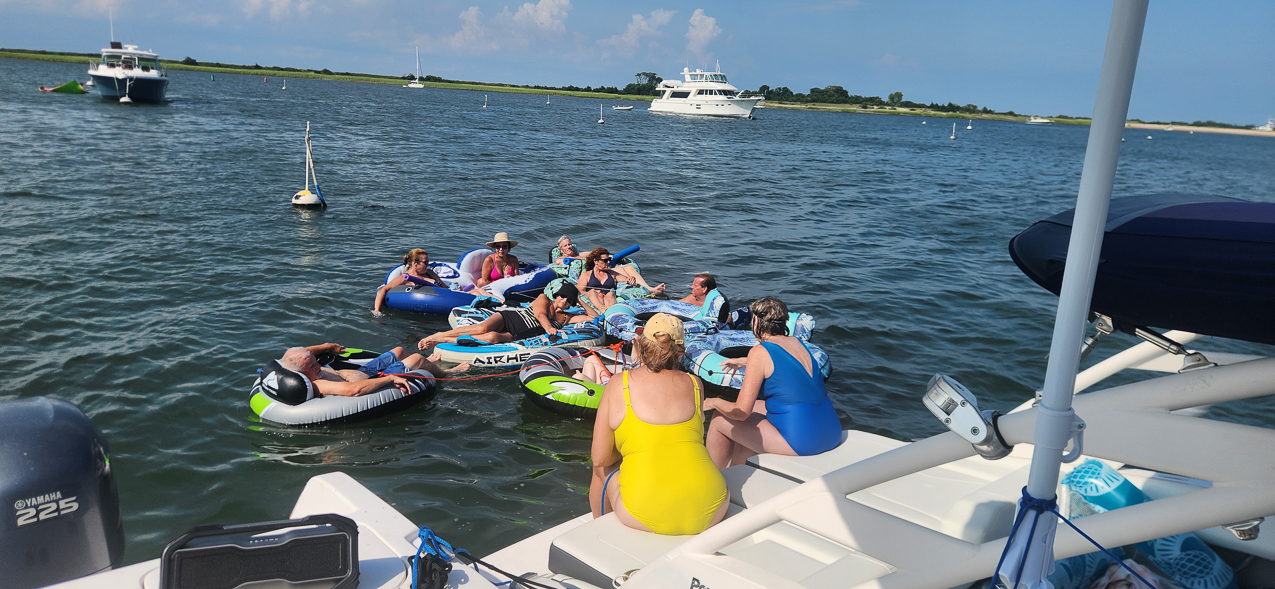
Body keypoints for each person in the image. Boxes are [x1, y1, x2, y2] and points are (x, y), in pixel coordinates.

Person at [589, 314, 729, 535]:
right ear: (680, 349)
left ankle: (598, 532)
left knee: (601, 467)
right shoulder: (695, 383)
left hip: (646, 512)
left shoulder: (619, 384)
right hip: (713, 504)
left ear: (642, 344)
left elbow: (600, 458)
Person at [703, 297, 841, 469]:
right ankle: (736, 468)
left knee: (720, 418)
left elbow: (741, 413)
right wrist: (743, 361)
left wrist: (713, 402)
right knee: (755, 408)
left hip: (803, 441)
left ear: (756, 322)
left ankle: (713, 476)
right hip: (831, 431)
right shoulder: (797, 343)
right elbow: (784, 364)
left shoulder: (759, 352)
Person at [417, 284, 591, 349]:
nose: (564, 300)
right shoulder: (544, 298)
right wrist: (548, 327)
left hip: (519, 334)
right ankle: (439, 334)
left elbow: (592, 317)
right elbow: (540, 314)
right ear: (557, 295)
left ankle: (444, 340)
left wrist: (579, 298)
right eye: (563, 296)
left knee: (492, 338)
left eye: (569, 300)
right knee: (483, 328)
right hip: (510, 318)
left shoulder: (567, 317)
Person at [279, 343, 468, 397]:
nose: (318, 366)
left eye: (315, 362)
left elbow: (305, 352)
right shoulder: (317, 384)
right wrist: (389, 379)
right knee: (417, 358)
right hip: (372, 381)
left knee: (399, 351)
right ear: (301, 372)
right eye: (312, 366)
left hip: (363, 371)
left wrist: (327, 346)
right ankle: (447, 373)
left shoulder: (296, 364)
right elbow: (354, 390)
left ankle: (426, 364)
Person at [373, 249, 446, 316]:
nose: (428, 265)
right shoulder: (405, 278)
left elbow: (445, 287)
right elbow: (382, 290)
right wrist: (377, 310)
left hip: (441, 301)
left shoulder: (430, 273)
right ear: (415, 263)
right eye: (425, 262)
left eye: (428, 262)